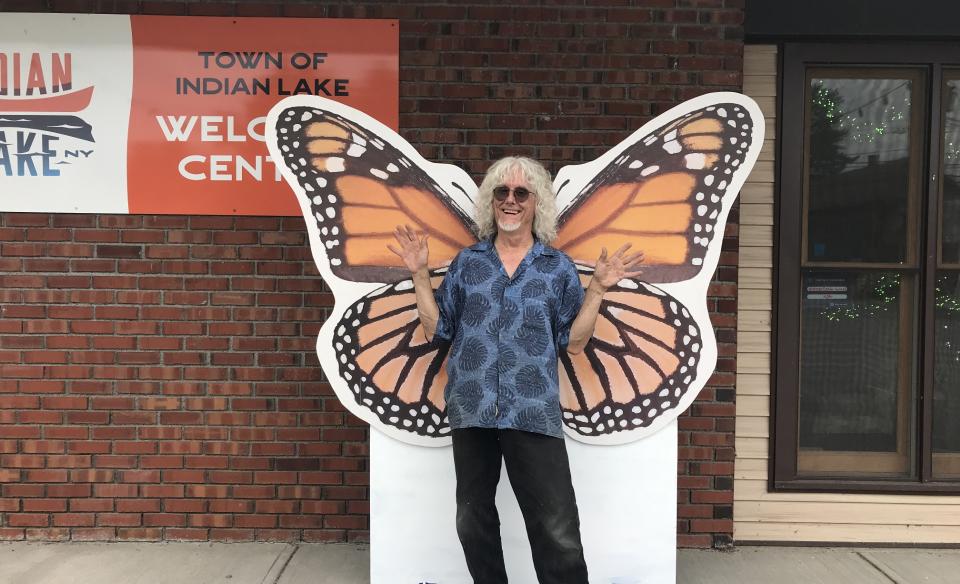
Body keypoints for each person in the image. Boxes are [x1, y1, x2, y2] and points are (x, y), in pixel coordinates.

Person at [388, 156, 643, 584]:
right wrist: (418, 275)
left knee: (556, 529)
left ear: (536, 203)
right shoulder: (468, 264)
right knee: (473, 522)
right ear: (490, 202)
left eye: (520, 193)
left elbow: (574, 343)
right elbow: (439, 330)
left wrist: (597, 288)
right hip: (472, 409)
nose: (510, 200)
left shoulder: (556, 268)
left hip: (532, 411)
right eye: (501, 193)